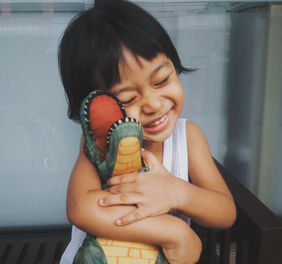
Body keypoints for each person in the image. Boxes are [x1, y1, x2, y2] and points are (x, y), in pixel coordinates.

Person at [58, 1, 236, 263]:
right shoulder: (99, 143)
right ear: (98, 110)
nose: (153, 104)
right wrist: (175, 231)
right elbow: (79, 208)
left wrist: (177, 192)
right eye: (128, 99)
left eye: (162, 80)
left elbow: (225, 211)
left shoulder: (188, 137)